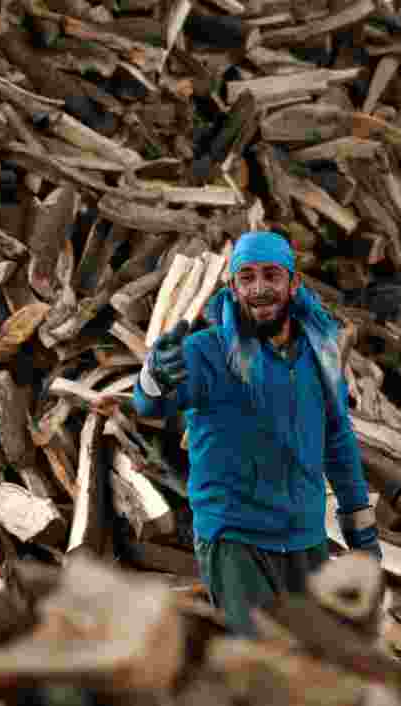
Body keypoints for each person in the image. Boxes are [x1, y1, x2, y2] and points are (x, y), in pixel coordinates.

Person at [132, 230, 381, 636]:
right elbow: (148, 406)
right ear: (232, 287)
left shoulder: (320, 353)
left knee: (315, 671)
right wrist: (155, 376)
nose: (260, 288)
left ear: (293, 283)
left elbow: (338, 442)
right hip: (236, 542)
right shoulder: (206, 352)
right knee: (261, 665)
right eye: (246, 277)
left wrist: (364, 538)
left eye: (271, 275)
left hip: (306, 541)